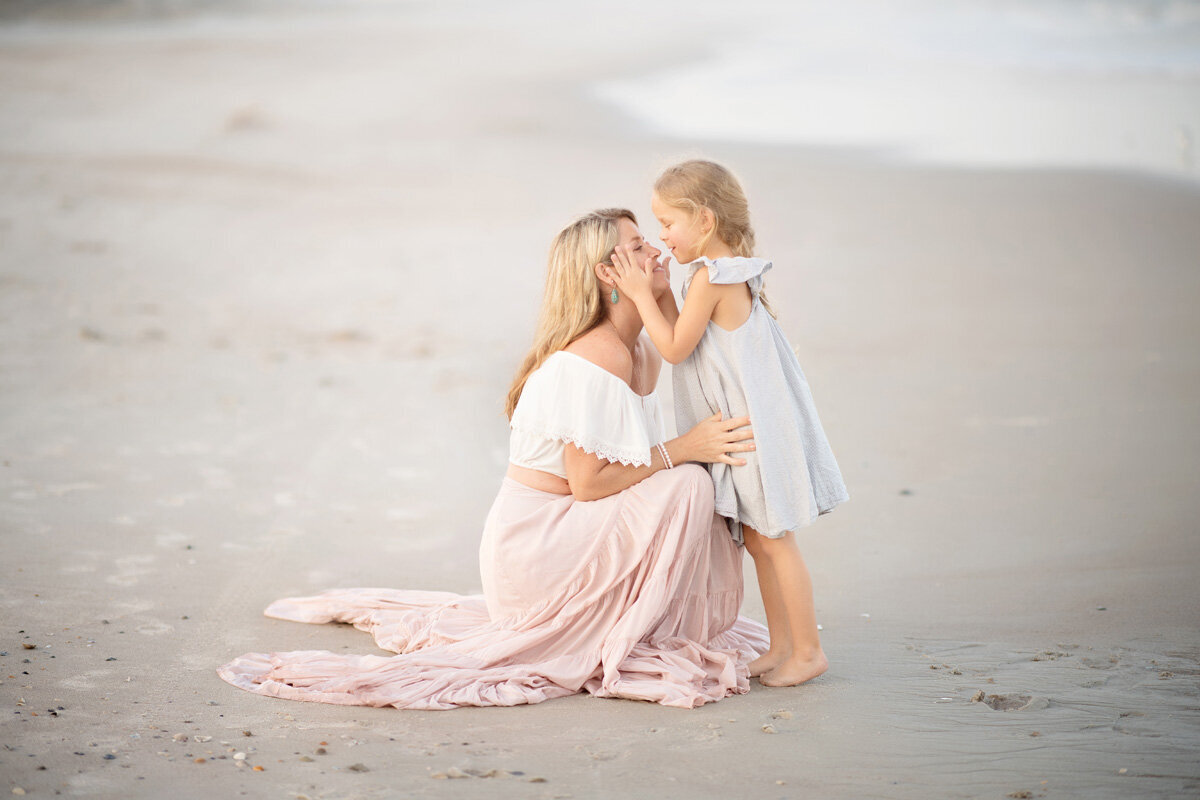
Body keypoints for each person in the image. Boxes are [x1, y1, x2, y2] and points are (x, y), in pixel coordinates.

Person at [218, 208, 768, 709]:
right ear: (607, 274)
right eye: (638, 245)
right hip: (541, 546)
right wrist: (684, 448)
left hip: (575, 532)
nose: (656, 251)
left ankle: (639, 615)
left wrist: (668, 300)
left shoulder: (639, 349)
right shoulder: (593, 357)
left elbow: (678, 352)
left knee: (691, 478)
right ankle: (604, 622)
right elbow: (589, 484)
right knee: (687, 482)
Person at [605, 160, 848, 687]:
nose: (663, 237)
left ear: (705, 222)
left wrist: (641, 293)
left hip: (749, 432)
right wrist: (663, 291)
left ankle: (808, 650)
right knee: (760, 542)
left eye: (668, 223)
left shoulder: (716, 279)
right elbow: (685, 335)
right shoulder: (710, 276)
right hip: (742, 427)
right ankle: (782, 644)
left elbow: (672, 347)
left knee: (775, 539)